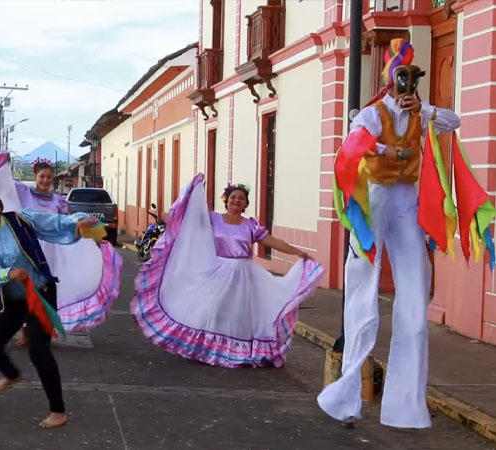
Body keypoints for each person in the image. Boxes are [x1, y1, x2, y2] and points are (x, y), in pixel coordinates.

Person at [318, 39, 461, 429]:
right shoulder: (373, 112)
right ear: (390, 79)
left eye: (413, 79)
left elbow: (454, 121)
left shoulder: (419, 112)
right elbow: (355, 141)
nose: (407, 86)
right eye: (403, 77)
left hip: (407, 202)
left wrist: (426, 109)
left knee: (414, 296)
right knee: (362, 291)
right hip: (375, 198)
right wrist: (384, 150)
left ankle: (406, 408)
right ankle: (345, 397)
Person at [0, 161, 102, 429]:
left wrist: (80, 223)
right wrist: (6, 274)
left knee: (39, 351)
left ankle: (58, 411)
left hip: (39, 294)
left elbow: (56, 223)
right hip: (9, 300)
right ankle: (11, 375)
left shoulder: (21, 220)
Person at [132, 175, 324, 368]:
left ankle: (239, 351)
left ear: (245, 204)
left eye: (241, 198)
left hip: (243, 275)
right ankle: (207, 347)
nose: (236, 200)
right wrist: (195, 188)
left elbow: (273, 242)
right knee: (213, 309)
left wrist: (297, 252)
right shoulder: (213, 219)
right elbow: (188, 215)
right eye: (233, 197)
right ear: (226, 201)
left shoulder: (251, 225)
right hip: (218, 270)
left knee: (238, 313)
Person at [12, 157, 122, 346]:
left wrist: (93, 238)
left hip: (54, 251)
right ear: (35, 176)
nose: (45, 181)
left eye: (49, 177)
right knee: (28, 289)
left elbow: (68, 224)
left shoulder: (58, 201)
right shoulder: (24, 193)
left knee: (51, 290)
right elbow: (4, 186)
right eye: (42, 177)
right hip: (30, 249)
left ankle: (46, 329)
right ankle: (25, 333)